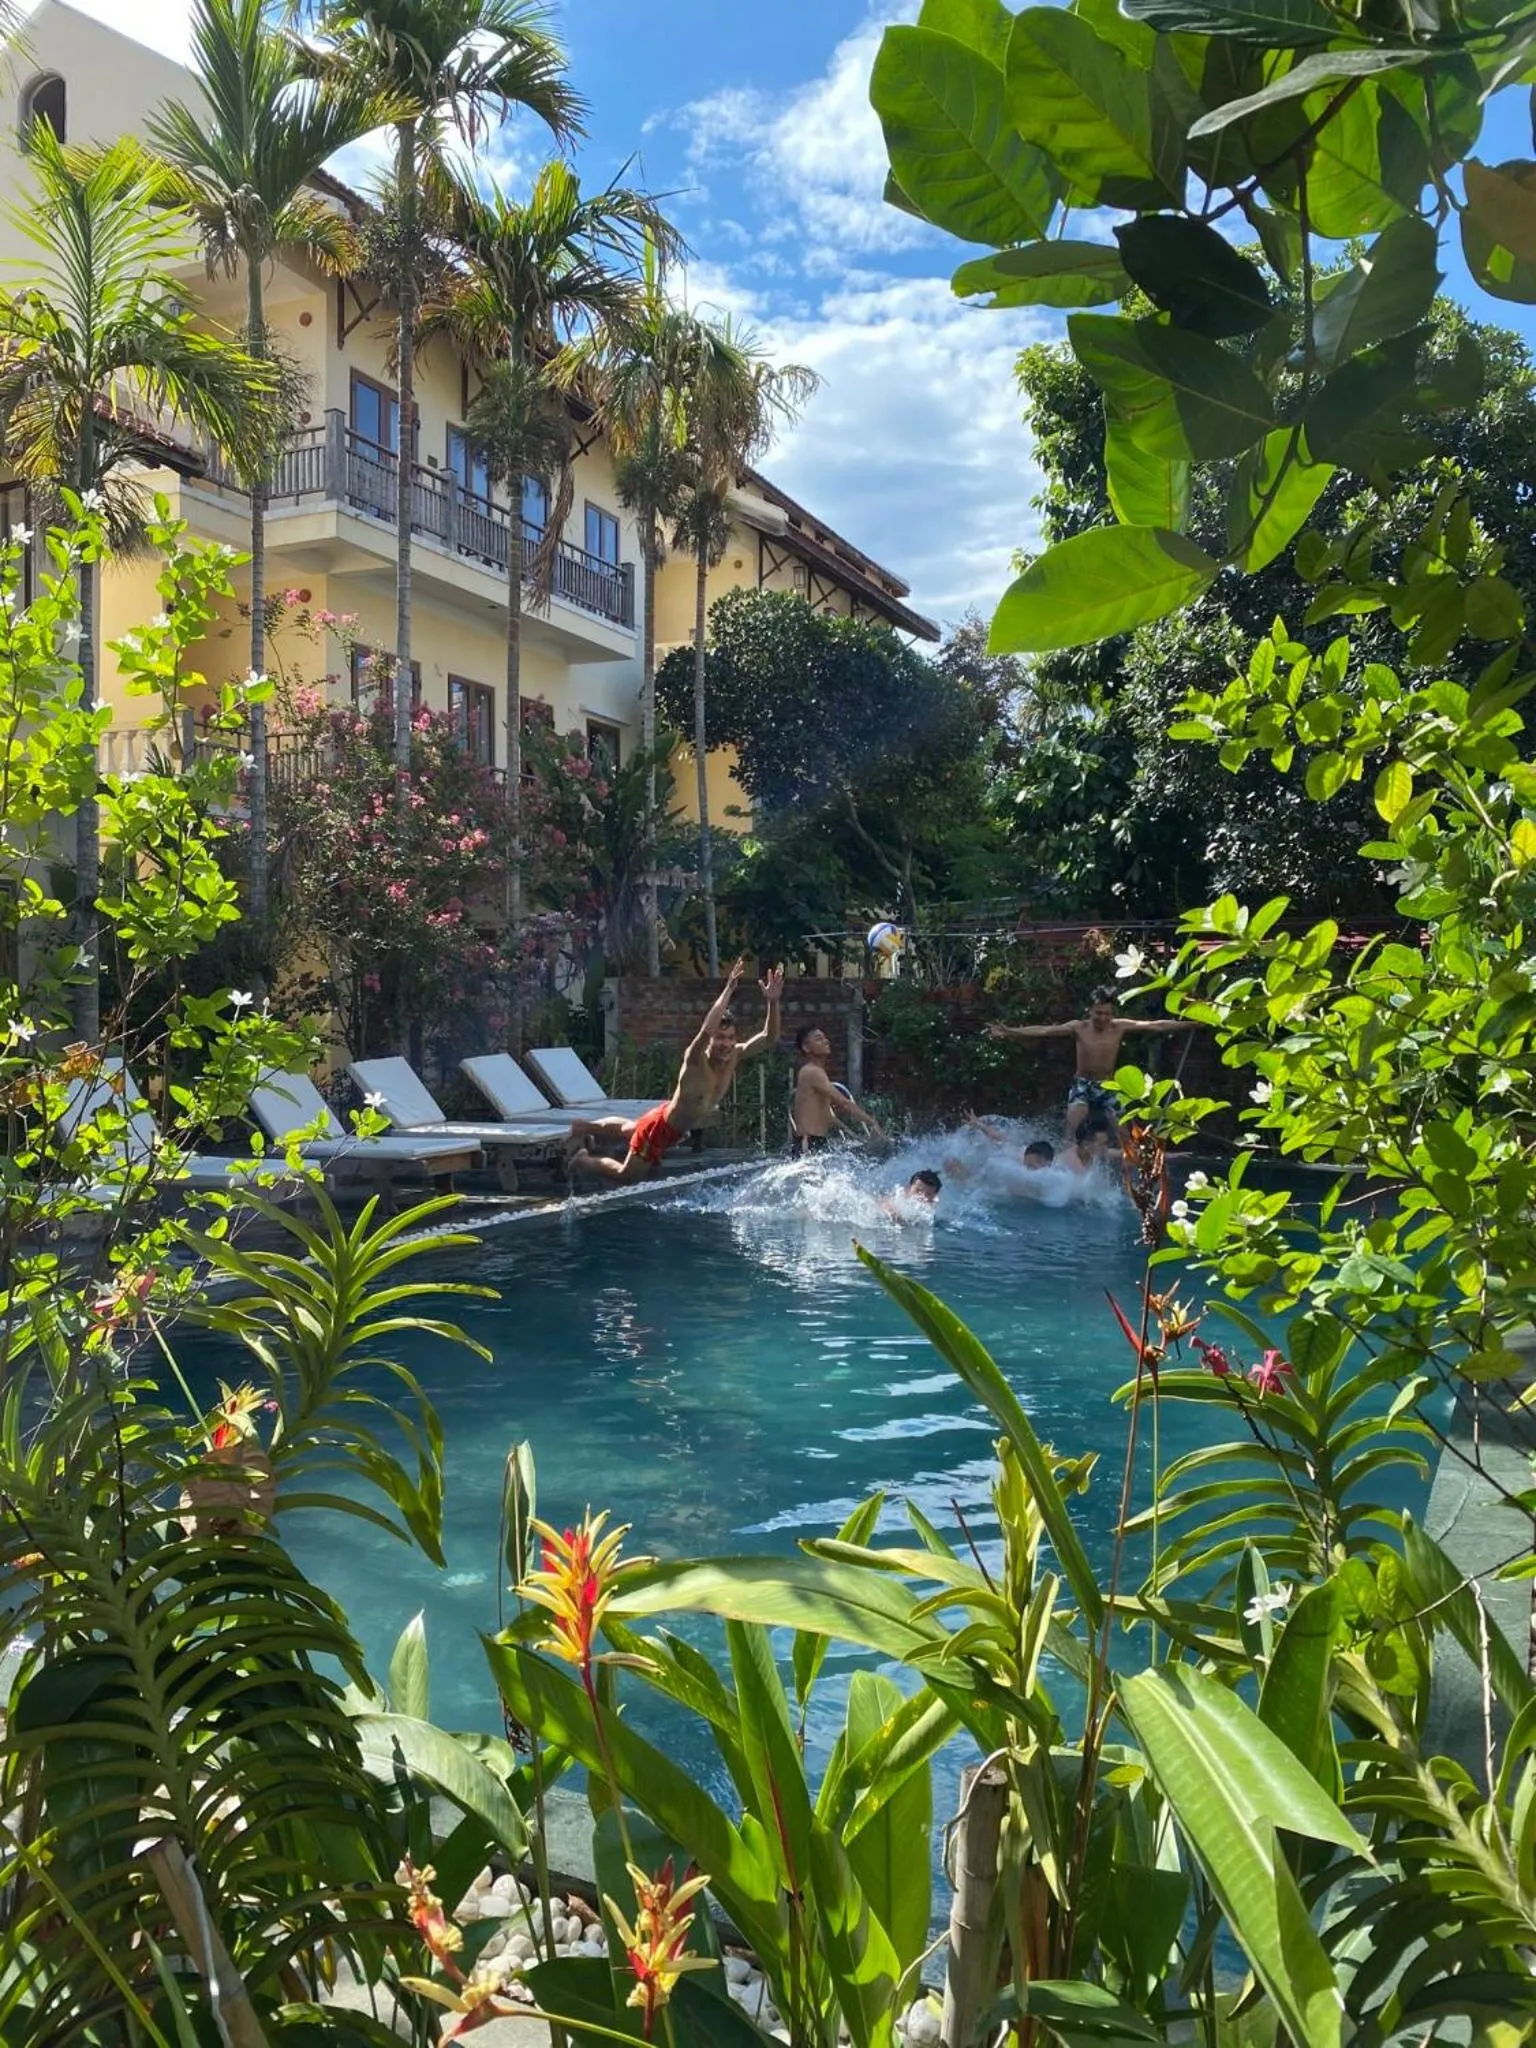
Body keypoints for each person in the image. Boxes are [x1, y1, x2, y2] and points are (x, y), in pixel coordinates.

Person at [568, 959, 783, 1186]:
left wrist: (773, 1002)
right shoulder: (695, 1058)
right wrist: (729, 989)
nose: (726, 1044)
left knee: (630, 1128)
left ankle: (583, 1126)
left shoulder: (736, 1055)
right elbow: (706, 1029)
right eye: (720, 1038)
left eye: (730, 1038)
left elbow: (769, 1038)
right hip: (660, 1129)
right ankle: (583, 1161)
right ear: (710, 1040)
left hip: (670, 1122)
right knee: (627, 1175)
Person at [984, 986, 1192, 1142]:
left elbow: (1156, 1026)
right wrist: (1010, 1031)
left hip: (1109, 1086)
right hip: (1082, 1085)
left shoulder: (1119, 1027)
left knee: (1124, 1132)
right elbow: (1045, 1030)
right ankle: (1065, 1167)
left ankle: (1134, 1169)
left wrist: (1192, 1023)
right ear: (1089, 1011)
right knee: (1072, 1126)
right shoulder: (1079, 1027)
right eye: (1098, 1013)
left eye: (1107, 1013)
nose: (1103, 1018)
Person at [791, 1025, 885, 1157]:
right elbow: (844, 1103)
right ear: (806, 1048)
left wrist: (853, 1135)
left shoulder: (816, 1072)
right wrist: (872, 1123)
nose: (826, 1041)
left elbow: (827, 1116)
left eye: (825, 1038)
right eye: (819, 1039)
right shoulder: (812, 1072)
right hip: (808, 1144)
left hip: (815, 1142)